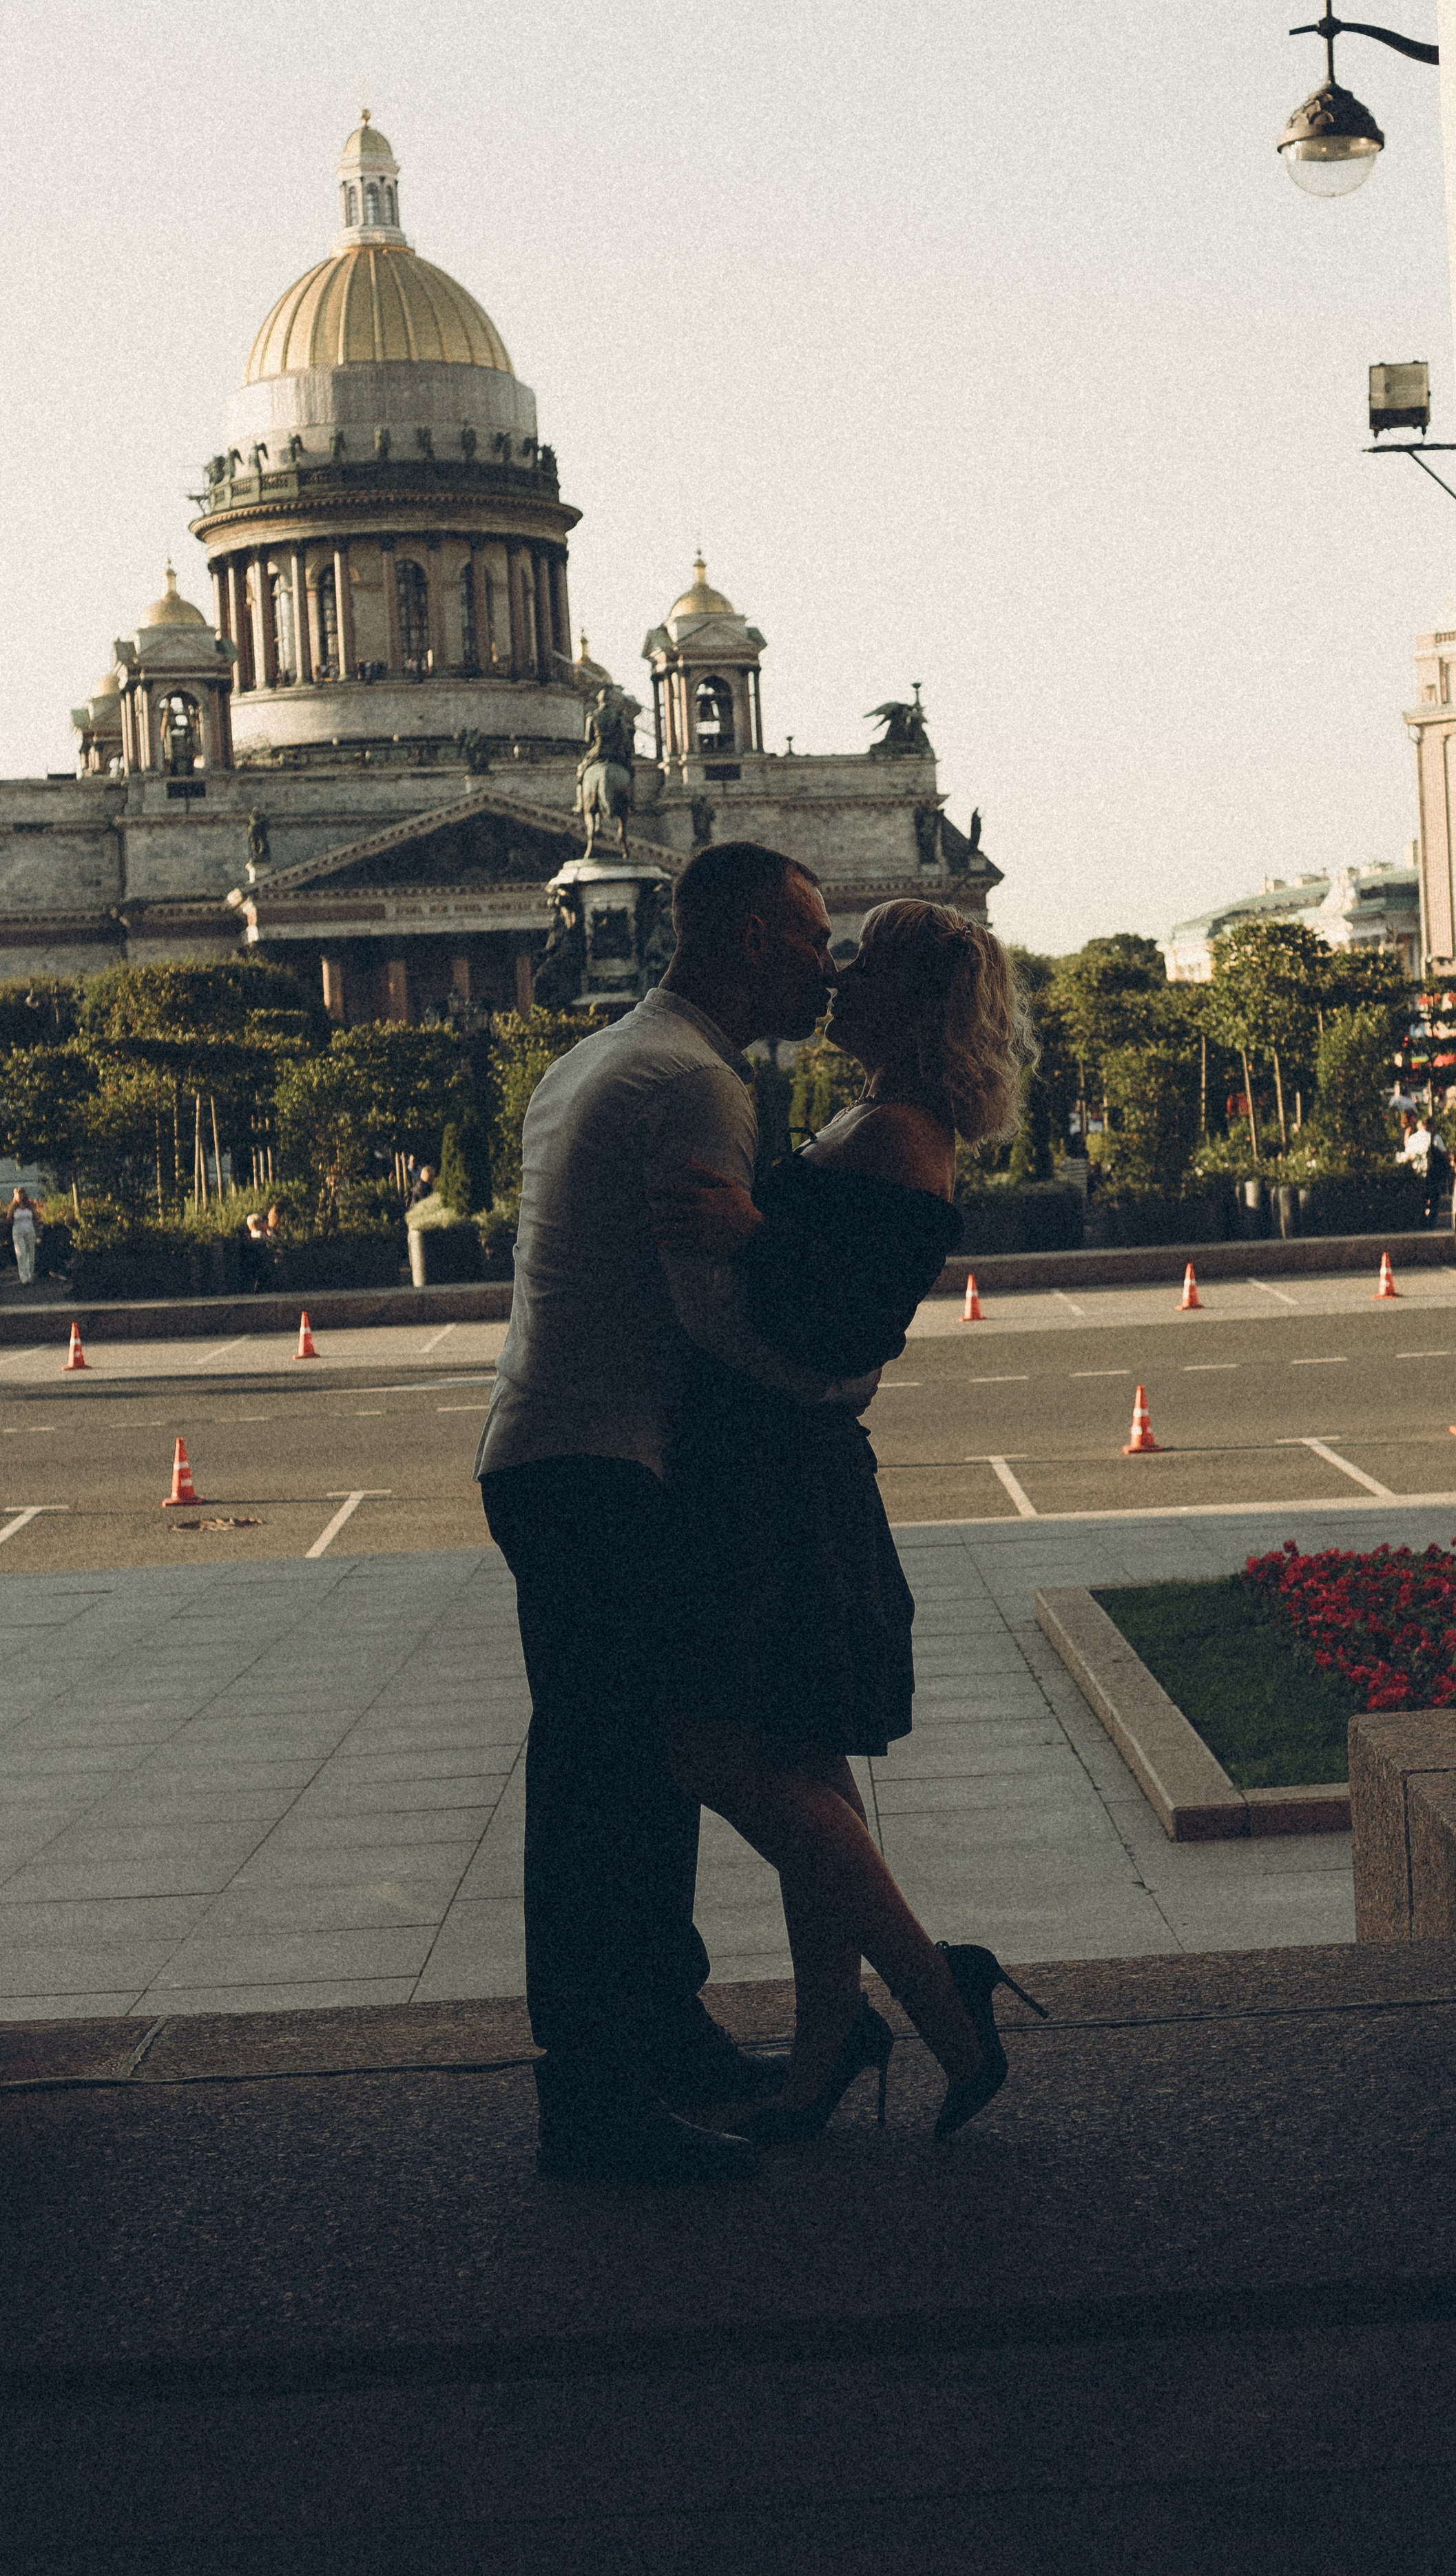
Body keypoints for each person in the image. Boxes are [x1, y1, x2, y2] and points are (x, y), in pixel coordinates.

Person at [475, 841, 871, 2185]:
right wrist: (843, 1373)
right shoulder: (694, 1085)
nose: (830, 966)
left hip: (546, 1450)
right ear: (751, 942)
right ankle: (591, 2100)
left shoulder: (593, 1059)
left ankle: (664, 2040)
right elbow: (718, 1327)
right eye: (814, 940)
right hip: (604, 1464)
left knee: (636, 1771)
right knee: (606, 1796)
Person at [650, 899, 1046, 2147]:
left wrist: (756, 1228)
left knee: (720, 1756)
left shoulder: (894, 1135)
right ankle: (827, 2048)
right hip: (786, 1482)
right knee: (809, 1767)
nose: (834, 976)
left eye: (860, 965)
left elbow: (850, 1318)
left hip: (784, 1495)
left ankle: (940, 1997)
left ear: (908, 1004)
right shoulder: (881, 1119)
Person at [8, 1186, 43, 1286]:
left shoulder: (30, 1206)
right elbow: (9, 1219)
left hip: (29, 1230)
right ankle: (24, 1278)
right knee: (21, 1253)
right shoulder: (13, 1208)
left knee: (30, 1254)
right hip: (18, 1231)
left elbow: (36, 1217)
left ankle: (30, 1276)